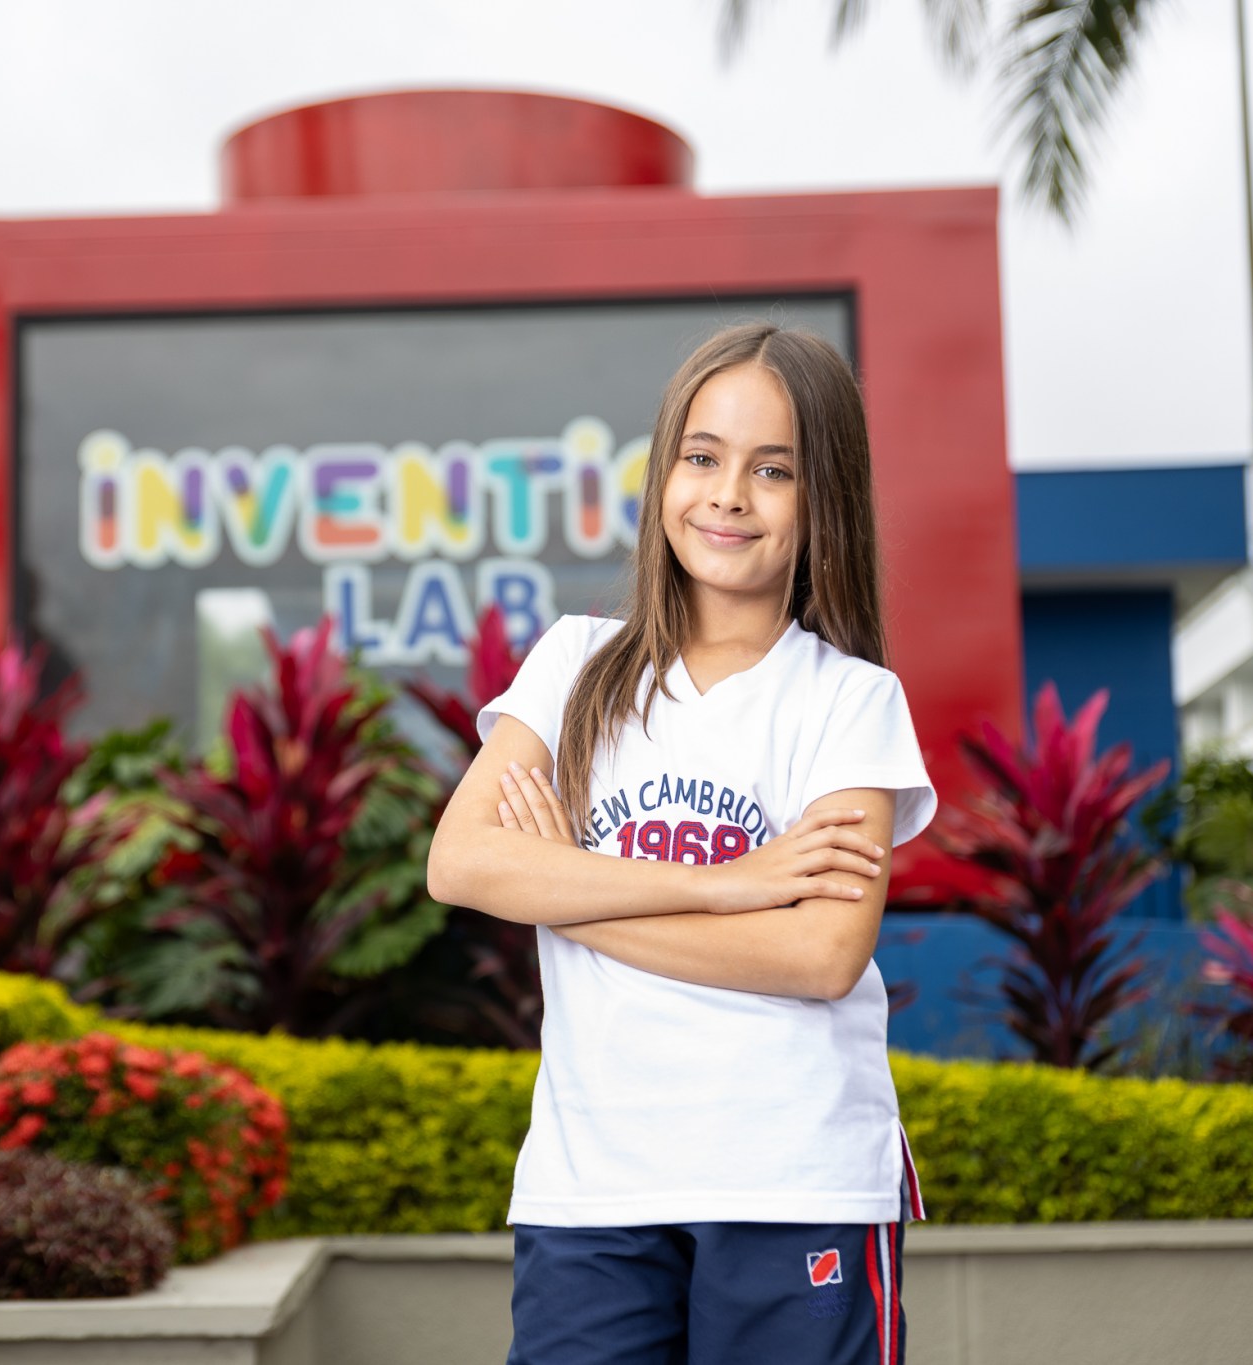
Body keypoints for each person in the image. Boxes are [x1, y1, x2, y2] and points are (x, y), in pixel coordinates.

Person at [424, 322, 935, 1365]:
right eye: (700, 457)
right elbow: (464, 863)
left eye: (772, 469)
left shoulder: (849, 703)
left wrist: (566, 891)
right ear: (663, 472)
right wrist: (728, 887)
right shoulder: (573, 666)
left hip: (794, 1182)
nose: (727, 494)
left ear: (822, 498)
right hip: (591, 1190)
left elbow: (818, 955)